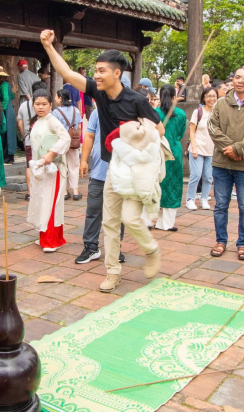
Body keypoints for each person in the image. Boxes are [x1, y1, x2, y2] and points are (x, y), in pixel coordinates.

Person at [39, 30, 164, 292]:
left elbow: (159, 130)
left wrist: (134, 134)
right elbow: (67, 73)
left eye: (101, 70)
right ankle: (112, 271)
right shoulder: (98, 91)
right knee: (109, 222)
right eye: (95, 70)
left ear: (117, 73)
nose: (96, 75)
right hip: (112, 169)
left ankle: (151, 250)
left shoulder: (137, 101)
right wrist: (48, 46)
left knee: (130, 218)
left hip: (134, 170)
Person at [207, 66, 244, 261]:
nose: (240, 81)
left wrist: (239, 149)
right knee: (220, 205)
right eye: (237, 77)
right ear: (233, 80)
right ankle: (221, 240)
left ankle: (243, 243)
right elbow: (212, 127)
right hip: (222, 163)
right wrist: (230, 149)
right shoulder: (221, 103)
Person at [77, 108, 126, 265]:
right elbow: (90, 136)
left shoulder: (128, 109)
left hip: (121, 173)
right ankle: (91, 247)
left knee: (118, 213)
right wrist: (84, 160)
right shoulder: (98, 111)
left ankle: (115, 247)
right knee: (93, 210)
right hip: (99, 171)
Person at [26, 88, 72, 251]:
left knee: (50, 202)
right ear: (33, 105)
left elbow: (65, 138)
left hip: (53, 168)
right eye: (37, 104)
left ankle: (51, 240)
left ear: (51, 105)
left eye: (44, 104)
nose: (40, 107)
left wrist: (51, 154)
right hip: (41, 168)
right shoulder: (38, 121)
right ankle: (45, 236)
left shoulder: (52, 120)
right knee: (41, 201)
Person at [154, 85, 186, 231]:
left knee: (156, 184)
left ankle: (150, 220)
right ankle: (166, 223)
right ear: (174, 97)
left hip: (157, 151)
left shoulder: (155, 113)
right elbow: (181, 133)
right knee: (173, 186)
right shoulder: (181, 114)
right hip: (174, 151)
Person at [187, 86, 217, 210]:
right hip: (198, 148)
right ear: (204, 98)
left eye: (214, 96)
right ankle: (190, 199)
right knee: (196, 175)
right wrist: (193, 147)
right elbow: (192, 130)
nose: (211, 99)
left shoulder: (218, 113)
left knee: (208, 177)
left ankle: (204, 198)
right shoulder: (198, 112)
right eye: (208, 96)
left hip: (212, 149)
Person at [18, 80, 47, 199]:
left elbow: (20, 123)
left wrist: (24, 136)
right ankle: (42, 191)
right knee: (43, 165)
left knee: (29, 166)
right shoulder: (45, 105)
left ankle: (30, 192)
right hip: (43, 142)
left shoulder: (23, 105)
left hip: (29, 140)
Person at [54, 88, 83, 201]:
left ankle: (65, 192)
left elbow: (55, 129)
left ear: (60, 98)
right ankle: (75, 191)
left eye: (56, 97)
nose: (55, 99)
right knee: (74, 166)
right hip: (73, 142)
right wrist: (77, 139)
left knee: (62, 166)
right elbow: (79, 127)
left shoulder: (56, 112)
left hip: (61, 142)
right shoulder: (76, 110)